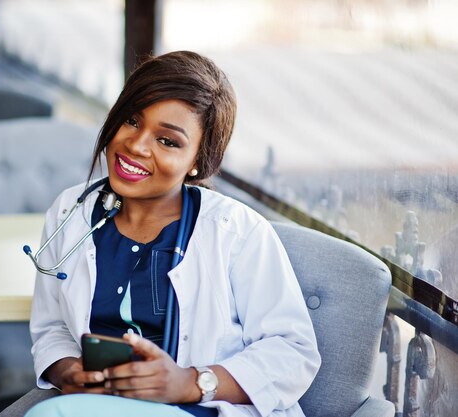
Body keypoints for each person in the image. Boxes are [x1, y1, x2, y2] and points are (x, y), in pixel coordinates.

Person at [22, 51, 320, 417]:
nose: (136, 145)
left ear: (198, 160)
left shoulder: (237, 232)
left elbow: (293, 351)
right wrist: (66, 369)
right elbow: (51, 327)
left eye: (168, 141)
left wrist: (192, 382)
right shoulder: (71, 212)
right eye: (132, 120)